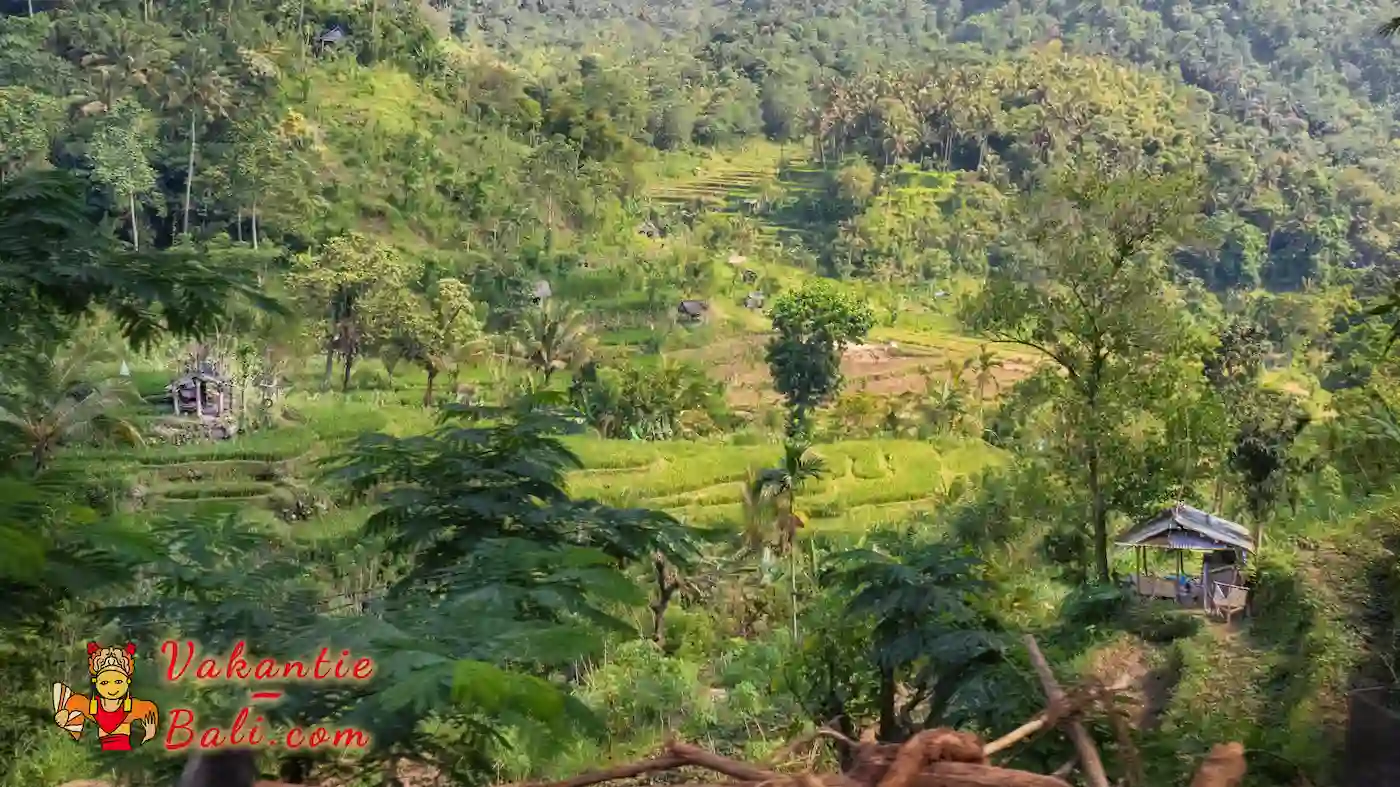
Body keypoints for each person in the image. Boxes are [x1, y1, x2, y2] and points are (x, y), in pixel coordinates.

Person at [53, 642, 159, 751]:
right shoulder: (91, 706)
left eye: (118, 681)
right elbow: (73, 703)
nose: (112, 688)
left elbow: (150, 712)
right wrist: (64, 714)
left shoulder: (135, 707)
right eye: (104, 682)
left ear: (127, 681)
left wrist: (150, 734)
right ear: (96, 682)